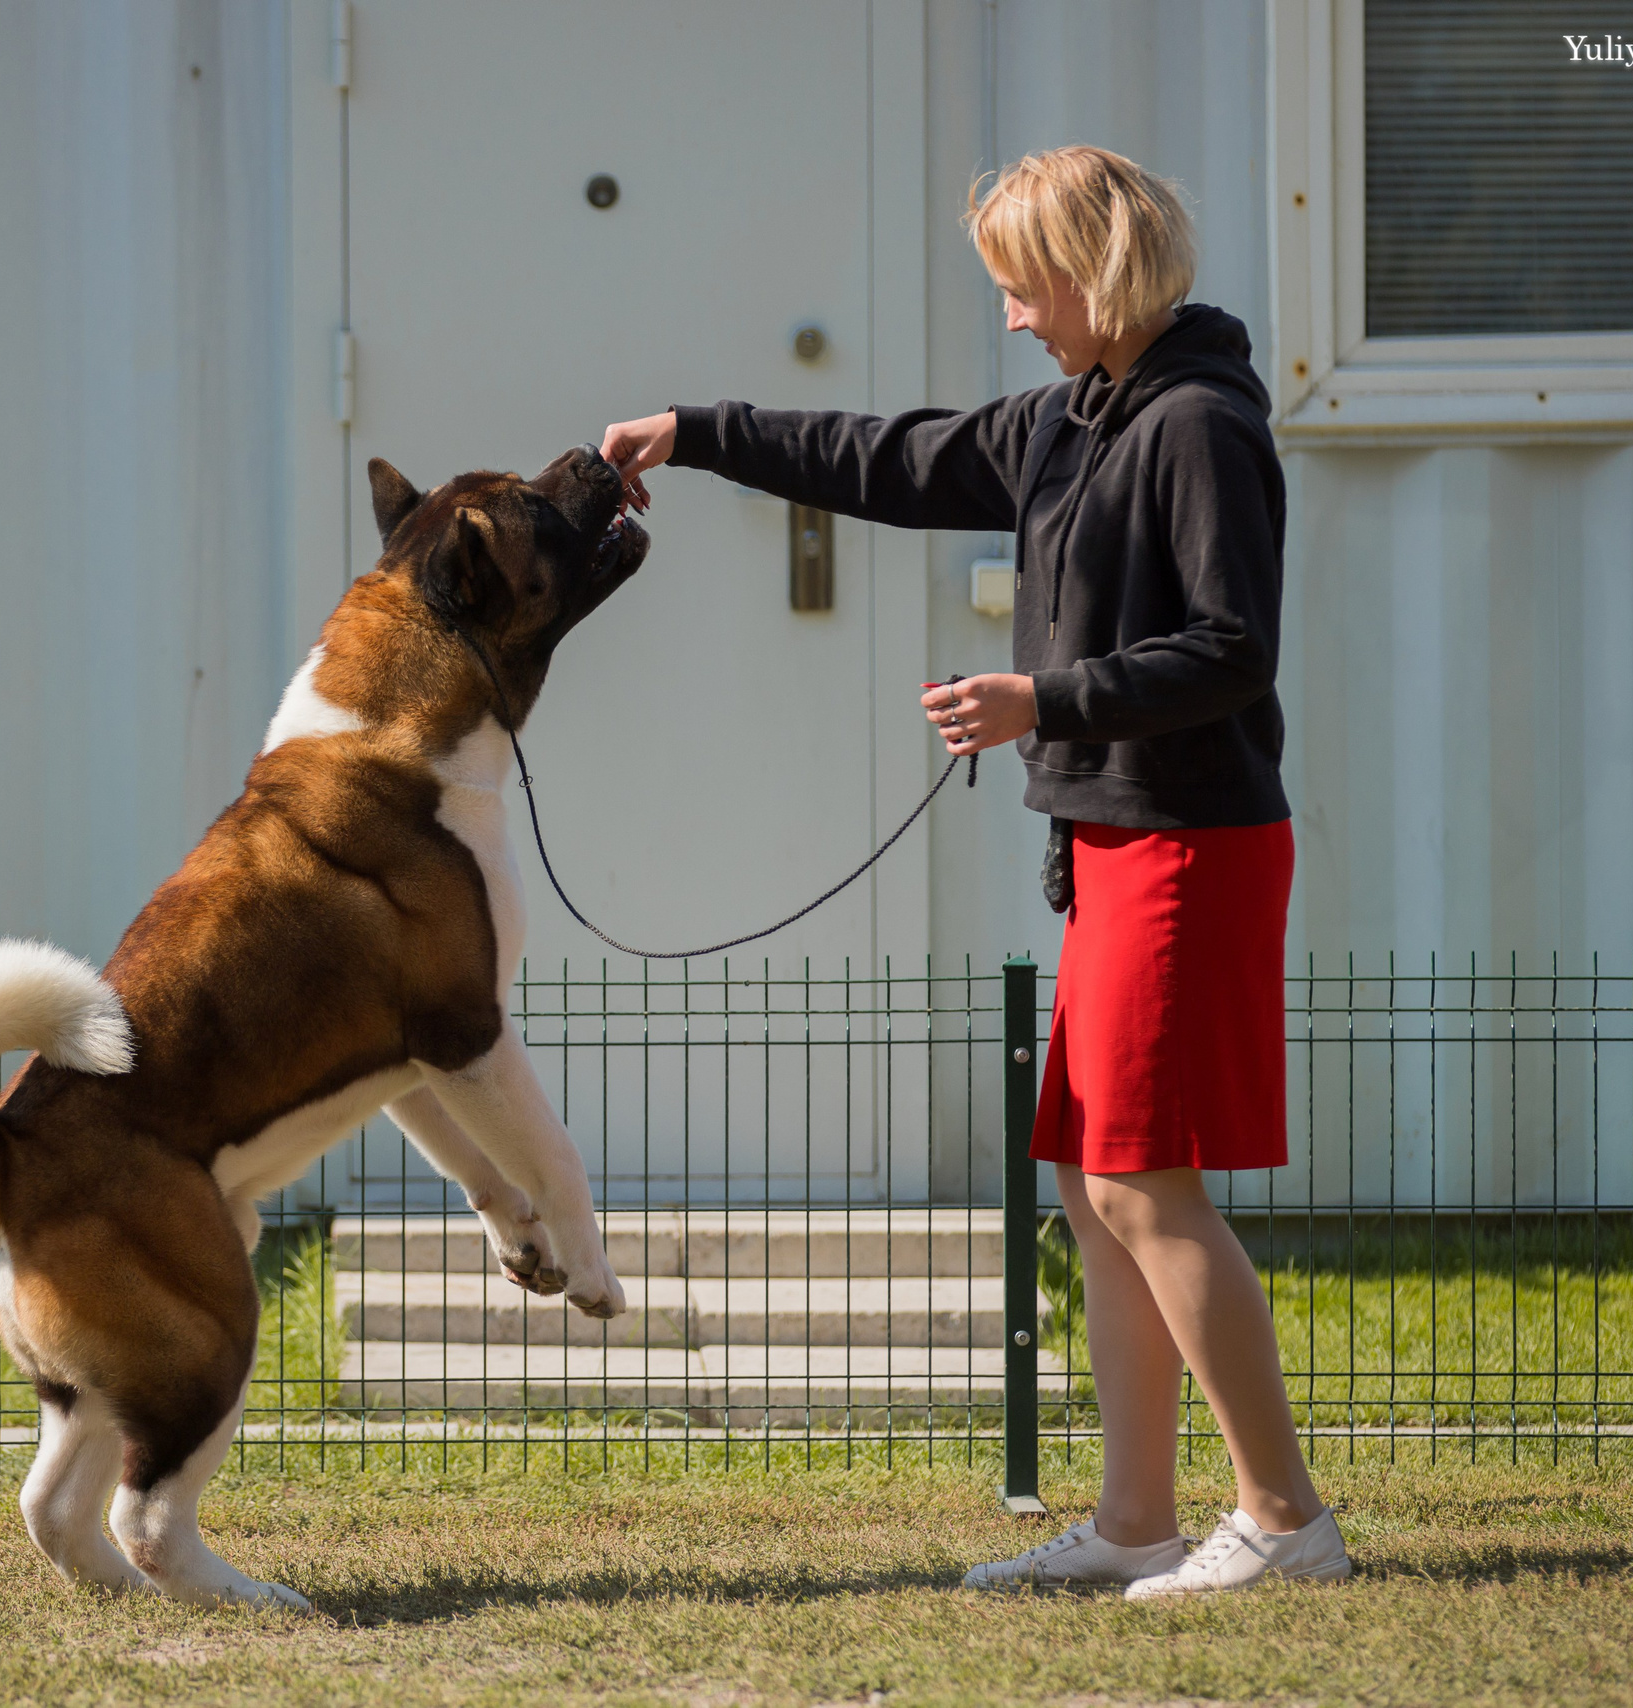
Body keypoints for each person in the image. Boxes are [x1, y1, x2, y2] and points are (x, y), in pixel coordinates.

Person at [601, 145, 1345, 1600]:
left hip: (1191, 840)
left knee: (1145, 1182)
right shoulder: (1070, 418)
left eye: (1021, 284)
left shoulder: (1198, 425)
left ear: (1095, 270)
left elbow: (1233, 649)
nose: (1010, 314)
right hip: (1116, 840)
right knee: (1087, 1178)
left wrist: (1039, 703)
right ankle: (1136, 1520)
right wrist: (695, 432)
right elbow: (882, 457)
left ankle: (1281, 1516)